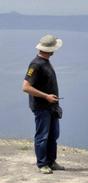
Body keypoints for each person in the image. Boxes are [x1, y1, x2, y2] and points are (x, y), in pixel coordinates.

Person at [22, 34, 65, 174]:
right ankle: (42, 164)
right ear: (51, 49)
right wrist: (46, 96)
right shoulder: (36, 64)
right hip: (42, 107)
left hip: (51, 106)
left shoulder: (45, 62)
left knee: (53, 135)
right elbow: (25, 87)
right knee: (43, 136)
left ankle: (51, 161)